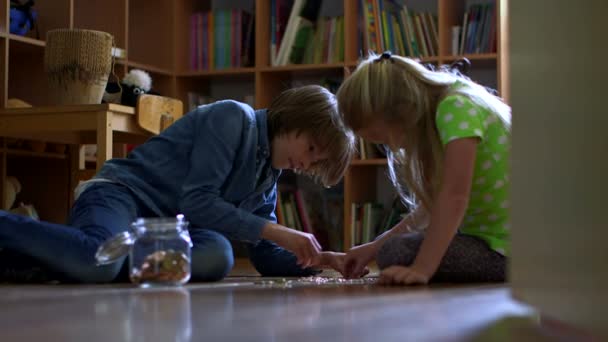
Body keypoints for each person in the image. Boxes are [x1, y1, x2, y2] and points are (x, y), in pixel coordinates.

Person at [0, 85, 356, 283]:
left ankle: (65, 261)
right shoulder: (235, 118)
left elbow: (264, 256)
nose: (307, 164)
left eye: (316, 163)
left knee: (219, 255)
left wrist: (321, 259)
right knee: (99, 261)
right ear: (295, 118)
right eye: (311, 149)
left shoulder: (267, 183)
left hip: (168, 230)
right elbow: (199, 201)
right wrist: (278, 232)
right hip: (121, 194)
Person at [335, 52, 511, 285]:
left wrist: (422, 269)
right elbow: (431, 207)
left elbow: (454, 197)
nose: (392, 146)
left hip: (508, 252)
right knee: (391, 250)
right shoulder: (452, 102)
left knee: (397, 253)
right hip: (494, 244)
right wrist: (373, 248)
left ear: (398, 111)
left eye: (382, 138)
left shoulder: (454, 108)